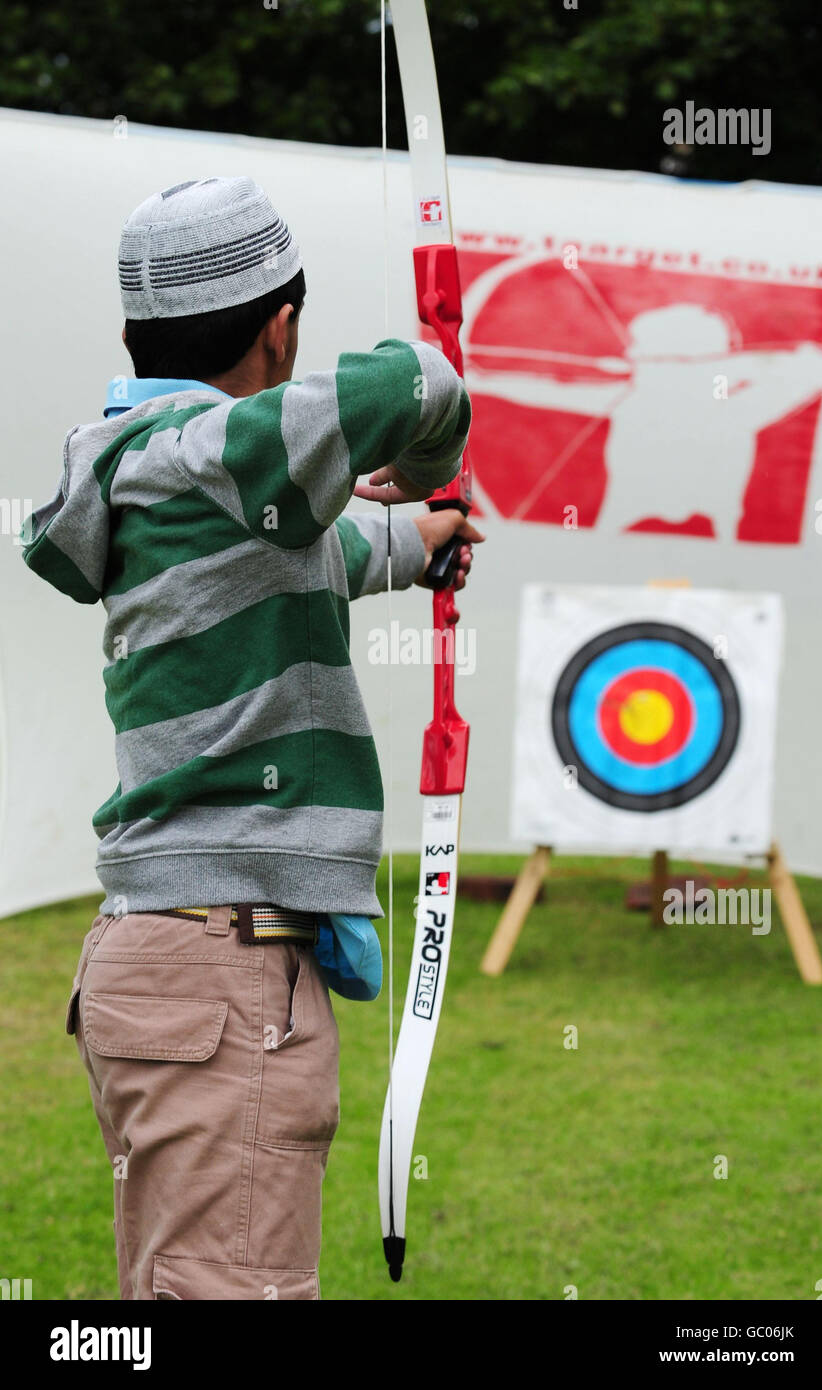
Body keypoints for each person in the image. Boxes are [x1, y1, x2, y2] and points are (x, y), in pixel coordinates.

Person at [21, 176, 481, 1300]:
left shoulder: (149, 471)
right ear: (281, 324)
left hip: (166, 964)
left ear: (134, 333)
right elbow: (422, 381)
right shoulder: (208, 448)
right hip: (220, 968)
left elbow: (295, 561)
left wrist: (415, 535)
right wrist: (423, 465)